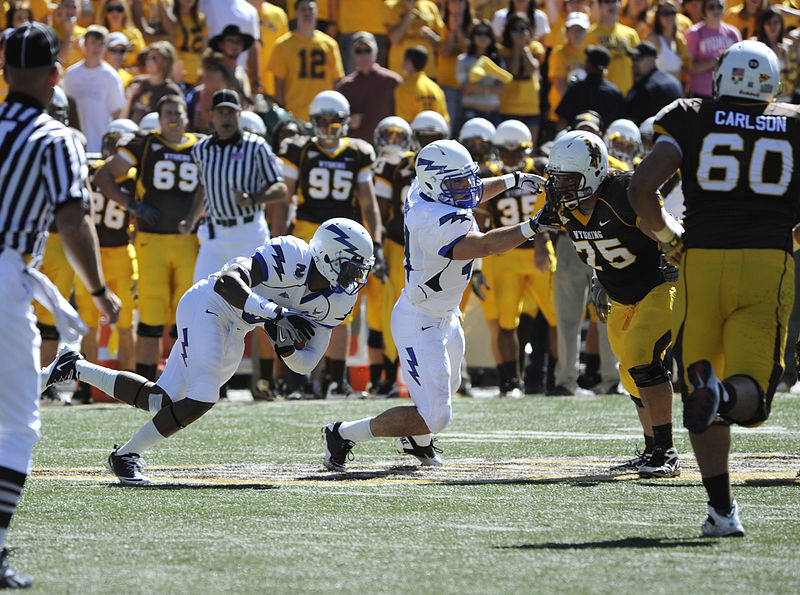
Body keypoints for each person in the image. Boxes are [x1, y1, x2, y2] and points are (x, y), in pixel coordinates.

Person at [42, 219, 375, 486]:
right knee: (203, 395)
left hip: (238, 327)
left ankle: (75, 366)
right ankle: (126, 456)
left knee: (161, 401)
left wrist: (283, 344)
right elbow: (226, 283)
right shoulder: (290, 253)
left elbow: (306, 364)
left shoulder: (340, 300)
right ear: (328, 255)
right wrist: (274, 313)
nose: (355, 277)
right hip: (209, 304)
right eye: (351, 266)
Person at [628, 40, 800, 535]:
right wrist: (786, 241)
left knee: (699, 383)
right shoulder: (792, 121)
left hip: (699, 262)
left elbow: (642, 190)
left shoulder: (690, 114)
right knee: (750, 395)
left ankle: (722, 511)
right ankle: (724, 396)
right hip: (768, 262)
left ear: (721, 77)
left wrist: (669, 238)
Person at [321, 139, 550, 471]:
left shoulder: (427, 189)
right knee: (436, 415)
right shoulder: (432, 219)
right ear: (436, 183)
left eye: (465, 179)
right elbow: (484, 245)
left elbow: (470, 191)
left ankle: (416, 439)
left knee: (447, 390)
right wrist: (533, 225)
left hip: (444, 315)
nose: (467, 188)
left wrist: (513, 179)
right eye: (457, 182)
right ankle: (342, 433)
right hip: (420, 321)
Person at [0, 22, 121, 587]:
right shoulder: (57, 137)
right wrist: (97, 291)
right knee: (18, 424)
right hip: (6, 275)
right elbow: (72, 219)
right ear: (55, 77)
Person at [540, 130, 681, 476]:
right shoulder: (561, 205)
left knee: (641, 357)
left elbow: (668, 232)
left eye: (568, 179)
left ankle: (667, 451)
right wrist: (598, 278)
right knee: (628, 373)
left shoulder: (624, 194)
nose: (560, 187)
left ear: (591, 173)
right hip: (618, 293)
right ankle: (652, 449)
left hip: (658, 286)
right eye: (556, 179)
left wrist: (671, 253)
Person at [277, 90, 386, 399]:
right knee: (296, 302)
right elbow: (285, 199)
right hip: (308, 230)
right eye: (321, 122)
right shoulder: (298, 149)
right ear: (312, 123)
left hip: (347, 236)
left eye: (334, 123)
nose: (327, 129)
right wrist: (277, 237)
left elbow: (369, 202)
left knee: (341, 307)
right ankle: (296, 381)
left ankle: (335, 381)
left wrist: (375, 243)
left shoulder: (358, 152)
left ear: (345, 123)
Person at [95, 95, 204, 383]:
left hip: (188, 242)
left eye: (177, 113)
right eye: (167, 112)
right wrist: (131, 205)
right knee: (150, 318)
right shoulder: (145, 143)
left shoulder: (202, 146)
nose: (173, 118)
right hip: (151, 241)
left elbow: (212, 185)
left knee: (189, 319)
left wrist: (194, 217)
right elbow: (104, 176)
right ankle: (144, 384)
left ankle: (188, 382)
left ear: (187, 117)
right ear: (159, 116)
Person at [482, 119, 557, 397]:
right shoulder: (491, 175)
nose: (511, 157)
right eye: (506, 152)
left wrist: (541, 241)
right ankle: (509, 382)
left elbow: (551, 210)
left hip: (537, 252)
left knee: (556, 317)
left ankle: (556, 379)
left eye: (517, 152)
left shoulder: (539, 169)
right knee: (506, 322)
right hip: (505, 256)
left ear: (527, 149)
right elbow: (480, 220)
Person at [187, 88, 287, 283]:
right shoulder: (201, 149)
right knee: (201, 295)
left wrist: (253, 198)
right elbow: (204, 186)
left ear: (239, 114)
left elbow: (280, 188)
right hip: (214, 236)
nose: (226, 118)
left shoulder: (256, 146)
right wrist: (190, 219)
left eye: (231, 113)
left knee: (255, 296)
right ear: (211, 115)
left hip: (248, 233)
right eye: (221, 113)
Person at [267, 0, 344, 121]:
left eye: (311, 9)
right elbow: (279, 82)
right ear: (295, 13)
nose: (307, 13)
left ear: (317, 12)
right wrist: (282, 110)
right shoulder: (283, 45)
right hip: (294, 113)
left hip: (323, 114)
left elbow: (337, 80)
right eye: (303, 9)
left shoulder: (330, 44)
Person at [62, 24, 126, 153]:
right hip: (74, 144)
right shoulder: (71, 74)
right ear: (84, 44)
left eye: (100, 44)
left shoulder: (111, 76)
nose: (96, 48)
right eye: (93, 43)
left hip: (99, 146)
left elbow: (117, 113)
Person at [335, 31, 403, 143]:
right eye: (359, 51)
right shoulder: (345, 86)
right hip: (357, 148)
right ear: (353, 55)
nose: (363, 55)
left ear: (376, 51)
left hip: (388, 145)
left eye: (367, 50)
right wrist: (349, 121)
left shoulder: (393, 81)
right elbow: (335, 122)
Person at [555, 45, 625, 131]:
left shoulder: (576, 89)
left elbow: (562, 123)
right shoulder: (615, 93)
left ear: (588, 64)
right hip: (604, 142)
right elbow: (619, 123)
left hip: (576, 141)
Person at [684, 0, 741, 98]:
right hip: (700, 93)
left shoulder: (733, 33)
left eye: (719, 7)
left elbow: (740, 66)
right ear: (704, 11)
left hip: (726, 93)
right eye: (711, 7)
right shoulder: (694, 33)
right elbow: (689, 68)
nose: (716, 10)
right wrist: (717, 60)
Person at [585, 0, 641, 96]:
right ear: (599, 5)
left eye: (614, 1)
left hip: (627, 93)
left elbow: (638, 66)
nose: (611, 5)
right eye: (607, 2)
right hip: (601, 94)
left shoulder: (631, 34)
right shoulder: (590, 34)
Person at [121, 41, 183, 124]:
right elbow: (123, 117)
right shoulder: (137, 81)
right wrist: (129, 97)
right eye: (148, 58)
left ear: (166, 62)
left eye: (154, 58)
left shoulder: (171, 91)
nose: (148, 62)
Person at [624, 40, 684, 125]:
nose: (634, 63)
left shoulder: (646, 87)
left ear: (652, 59)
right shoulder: (673, 81)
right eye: (633, 59)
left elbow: (632, 121)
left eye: (638, 59)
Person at [394, 45, 450, 125]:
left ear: (409, 62)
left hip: (415, 135)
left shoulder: (403, 89)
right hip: (436, 134)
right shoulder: (436, 88)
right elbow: (444, 120)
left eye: (404, 59)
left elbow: (404, 122)